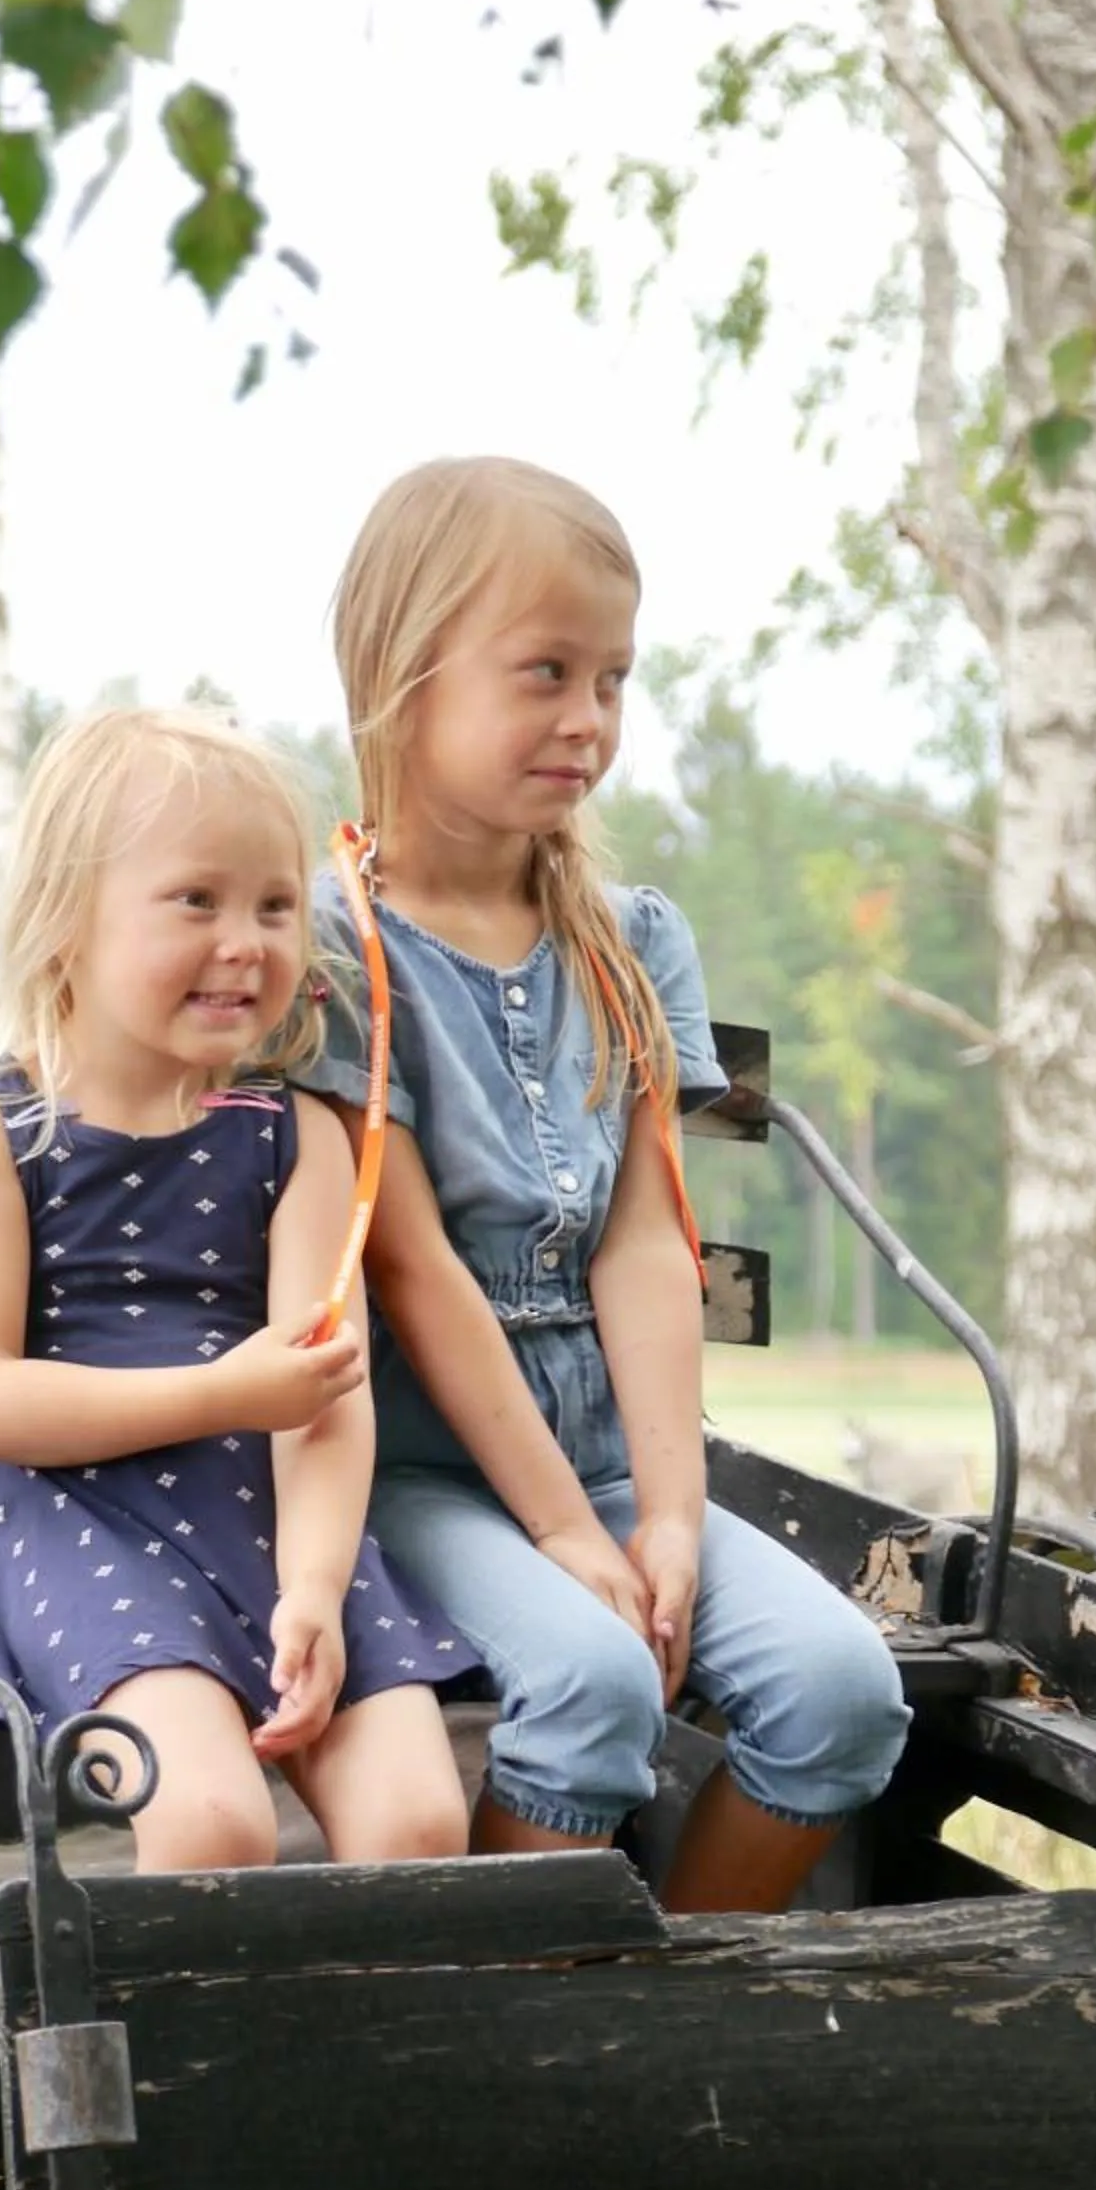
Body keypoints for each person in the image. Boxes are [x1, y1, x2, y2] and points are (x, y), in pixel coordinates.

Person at [308, 457, 908, 1912]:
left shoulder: (628, 936)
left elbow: (644, 1244)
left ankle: (670, 2034)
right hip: (417, 1465)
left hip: (610, 1452)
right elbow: (411, 1269)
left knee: (842, 1694)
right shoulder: (335, 947)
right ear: (404, 673)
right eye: (544, 674)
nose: (588, 719)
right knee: (589, 1685)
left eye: (614, 680)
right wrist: (572, 1538)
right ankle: (523, 2058)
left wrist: (668, 1518)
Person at [0, 704, 470, 1883]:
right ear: (65, 925)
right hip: (59, 1508)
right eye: (197, 902)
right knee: (211, 1824)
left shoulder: (294, 1138)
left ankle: (362, 2061)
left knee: (417, 1825)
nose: (246, 941)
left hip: (267, 1510)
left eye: (276, 907)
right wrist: (226, 1391)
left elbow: (321, 1398)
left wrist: (314, 1590)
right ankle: (175, 2065)